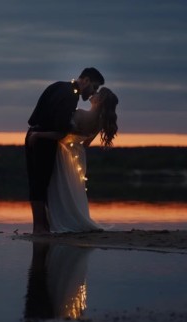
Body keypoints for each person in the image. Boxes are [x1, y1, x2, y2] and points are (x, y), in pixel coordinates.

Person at [25, 68, 105, 234]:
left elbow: (36, 115)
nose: (93, 92)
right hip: (43, 140)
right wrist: (73, 131)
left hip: (34, 133)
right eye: (95, 87)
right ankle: (40, 227)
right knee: (41, 183)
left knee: (38, 182)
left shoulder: (59, 86)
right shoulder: (70, 96)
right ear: (86, 80)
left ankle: (41, 227)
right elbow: (61, 130)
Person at [48, 87, 119, 233]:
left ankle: (60, 221)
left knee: (59, 187)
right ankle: (75, 219)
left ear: (99, 101)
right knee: (73, 188)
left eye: (97, 93)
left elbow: (61, 132)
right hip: (77, 155)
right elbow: (86, 143)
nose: (94, 94)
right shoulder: (99, 123)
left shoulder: (79, 113)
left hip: (62, 152)